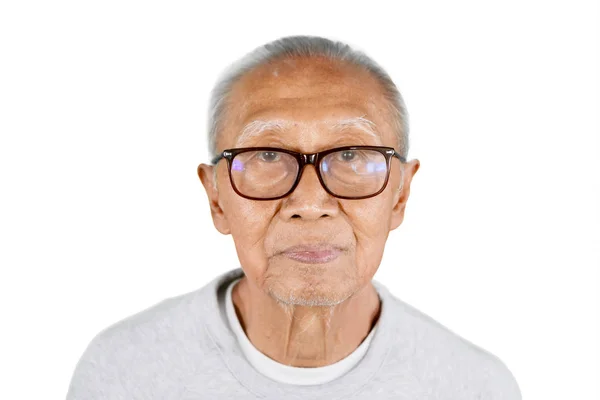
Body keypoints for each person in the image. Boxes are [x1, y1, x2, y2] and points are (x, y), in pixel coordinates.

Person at [66, 35, 521, 399]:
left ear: (400, 195)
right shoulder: (124, 373)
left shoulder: (476, 387)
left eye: (350, 153)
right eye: (266, 154)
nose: (309, 201)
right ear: (217, 198)